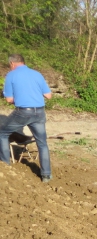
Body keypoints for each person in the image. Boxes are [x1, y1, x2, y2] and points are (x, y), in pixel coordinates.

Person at [0, 54, 53, 182]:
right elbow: (48, 95)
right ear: (23, 62)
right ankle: (46, 175)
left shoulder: (11, 75)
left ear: (12, 64)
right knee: (42, 143)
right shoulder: (37, 74)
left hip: (23, 112)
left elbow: (9, 99)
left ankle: (5, 166)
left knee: (2, 133)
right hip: (39, 112)